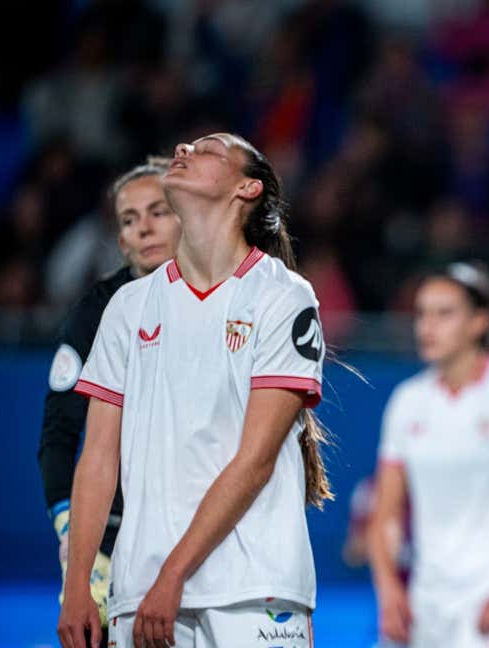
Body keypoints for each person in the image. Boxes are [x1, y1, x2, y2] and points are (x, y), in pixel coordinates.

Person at [57, 133, 332, 648]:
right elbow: (96, 457)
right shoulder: (128, 306)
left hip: (254, 586)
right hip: (140, 590)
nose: (183, 147)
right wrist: (78, 589)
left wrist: (174, 574)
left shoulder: (283, 296)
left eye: (209, 150)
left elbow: (256, 460)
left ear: (247, 188)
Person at [369, 261, 489, 648]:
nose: (427, 326)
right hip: (429, 594)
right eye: (422, 313)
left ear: (479, 322)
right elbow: (386, 512)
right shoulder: (407, 401)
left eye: (444, 313)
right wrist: (389, 590)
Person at [38, 158, 182, 635]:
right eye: (129, 219)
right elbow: (60, 434)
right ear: (120, 241)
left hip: (198, 533)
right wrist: (73, 543)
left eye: (158, 211)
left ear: (186, 217)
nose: (144, 228)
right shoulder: (96, 314)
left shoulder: (228, 301)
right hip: (112, 538)